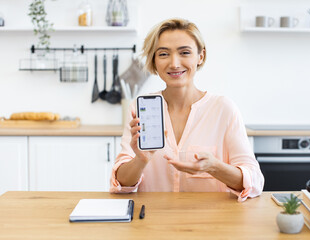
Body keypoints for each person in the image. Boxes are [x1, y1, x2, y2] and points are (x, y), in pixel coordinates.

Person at [110, 18, 264, 201]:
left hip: (211, 224)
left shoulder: (223, 109)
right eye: (164, 54)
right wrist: (140, 160)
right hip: (152, 222)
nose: (174, 63)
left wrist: (213, 167)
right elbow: (120, 183)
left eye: (184, 52)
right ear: (154, 60)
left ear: (200, 56)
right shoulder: (140, 108)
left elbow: (254, 182)